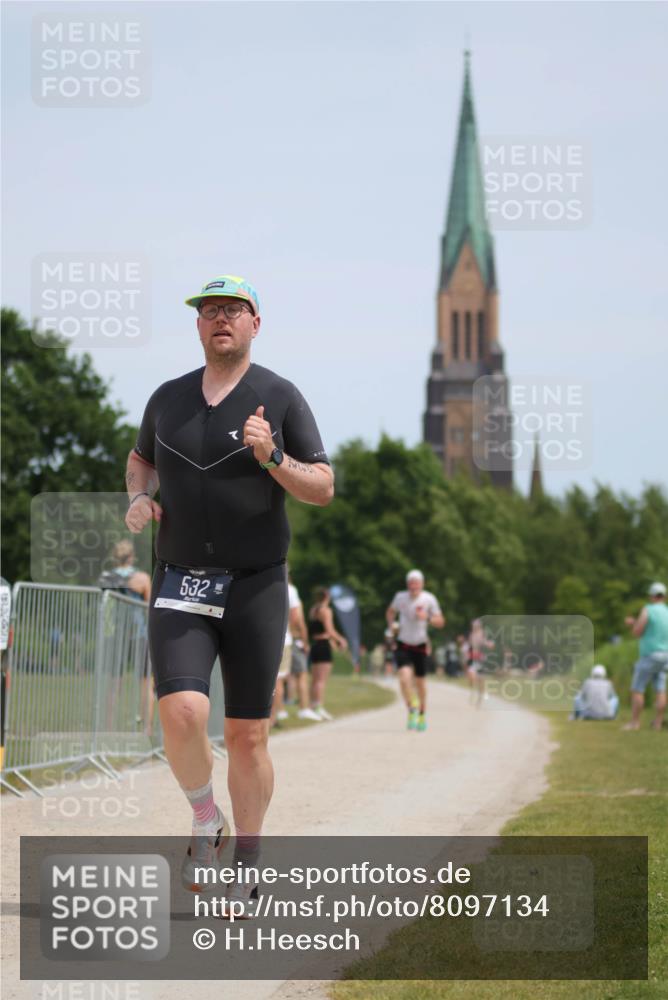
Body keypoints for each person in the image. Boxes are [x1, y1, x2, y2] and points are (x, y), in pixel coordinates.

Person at [124, 274, 333, 913]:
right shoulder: (167, 399)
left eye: (233, 311)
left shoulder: (280, 396)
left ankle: (247, 860)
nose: (221, 319)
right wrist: (138, 496)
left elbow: (321, 485)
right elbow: (140, 460)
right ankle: (203, 816)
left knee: (247, 736)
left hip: (257, 585)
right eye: (210, 311)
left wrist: (272, 458)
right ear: (198, 327)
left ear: (254, 324)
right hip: (180, 577)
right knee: (182, 713)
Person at [99, 539, 154, 735]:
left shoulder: (107, 577)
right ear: (132, 557)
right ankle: (147, 729)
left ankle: (108, 728)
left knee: (114, 684)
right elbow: (149, 609)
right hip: (139, 635)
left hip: (115, 633)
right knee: (146, 683)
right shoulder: (142, 578)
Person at [386, 570, 445, 731]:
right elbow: (390, 612)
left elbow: (440, 621)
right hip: (403, 643)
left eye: (416, 583)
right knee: (404, 679)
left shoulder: (429, 598)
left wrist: (427, 617)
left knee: (420, 683)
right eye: (411, 583)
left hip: (420, 644)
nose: (413, 586)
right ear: (407, 584)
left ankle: (422, 713)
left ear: (422, 584)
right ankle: (412, 709)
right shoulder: (400, 597)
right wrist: (391, 626)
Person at [623, 581, 668, 731]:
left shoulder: (648, 609)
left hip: (650, 654)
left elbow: (638, 631)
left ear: (652, 596)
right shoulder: (667, 612)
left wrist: (632, 624)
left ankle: (635, 723)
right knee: (660, 689)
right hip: (665, 655)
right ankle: (657, 722)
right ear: (664, 596)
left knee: (638, 688)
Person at [307, 587, 347, 720]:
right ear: (327, 597)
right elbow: (330, 631)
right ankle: (319, 707)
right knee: (321, 680)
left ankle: (313, 706)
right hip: (323, 646)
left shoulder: (313, 610)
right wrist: (341, 639)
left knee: (314, 680)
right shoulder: (326, 611)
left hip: (314, 645)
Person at [465, 617, 494, 706]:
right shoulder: (471, 634)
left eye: (476, 626)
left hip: (479, 658)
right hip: (472, 657)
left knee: (480, 679)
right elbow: (469, 645)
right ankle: (473, 692)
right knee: (471, 676)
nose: (474, 627)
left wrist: (489, 644)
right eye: (473, 626)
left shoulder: (481, 634)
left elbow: (485, 642)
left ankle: (480, 695)